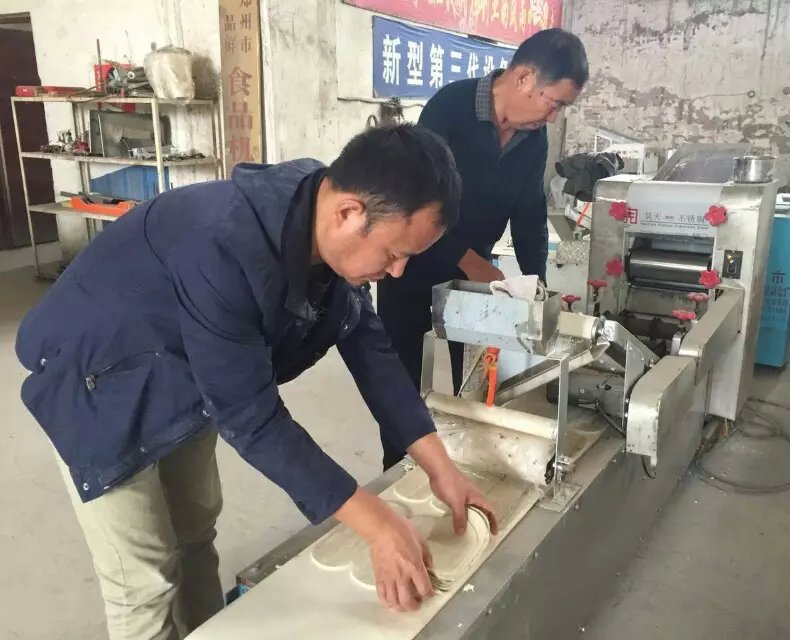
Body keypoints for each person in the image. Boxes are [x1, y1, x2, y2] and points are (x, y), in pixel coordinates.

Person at [16, 124, 498, 640]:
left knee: (195, 533)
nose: (398, 272)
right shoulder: (223, 244)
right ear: (348, 213)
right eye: (393, 254)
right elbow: (251, 416)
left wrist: (441, 468)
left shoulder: (318, 219)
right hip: (97, 382)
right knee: (145, 582)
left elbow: (371, 350)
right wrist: (378, 525)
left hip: (185, 370)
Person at [376, 28, 589, 469]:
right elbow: (417, 202)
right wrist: (469, 261)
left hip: (474, 278)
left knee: (477, 376)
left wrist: (535, 289)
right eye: (554, 103)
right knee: (399, 379)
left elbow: (529, 215)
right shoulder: (450, 108)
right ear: (524, 78)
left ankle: (469, 463)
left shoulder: (533, 140)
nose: (553, 117)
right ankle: (396, 471)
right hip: (411, 267)